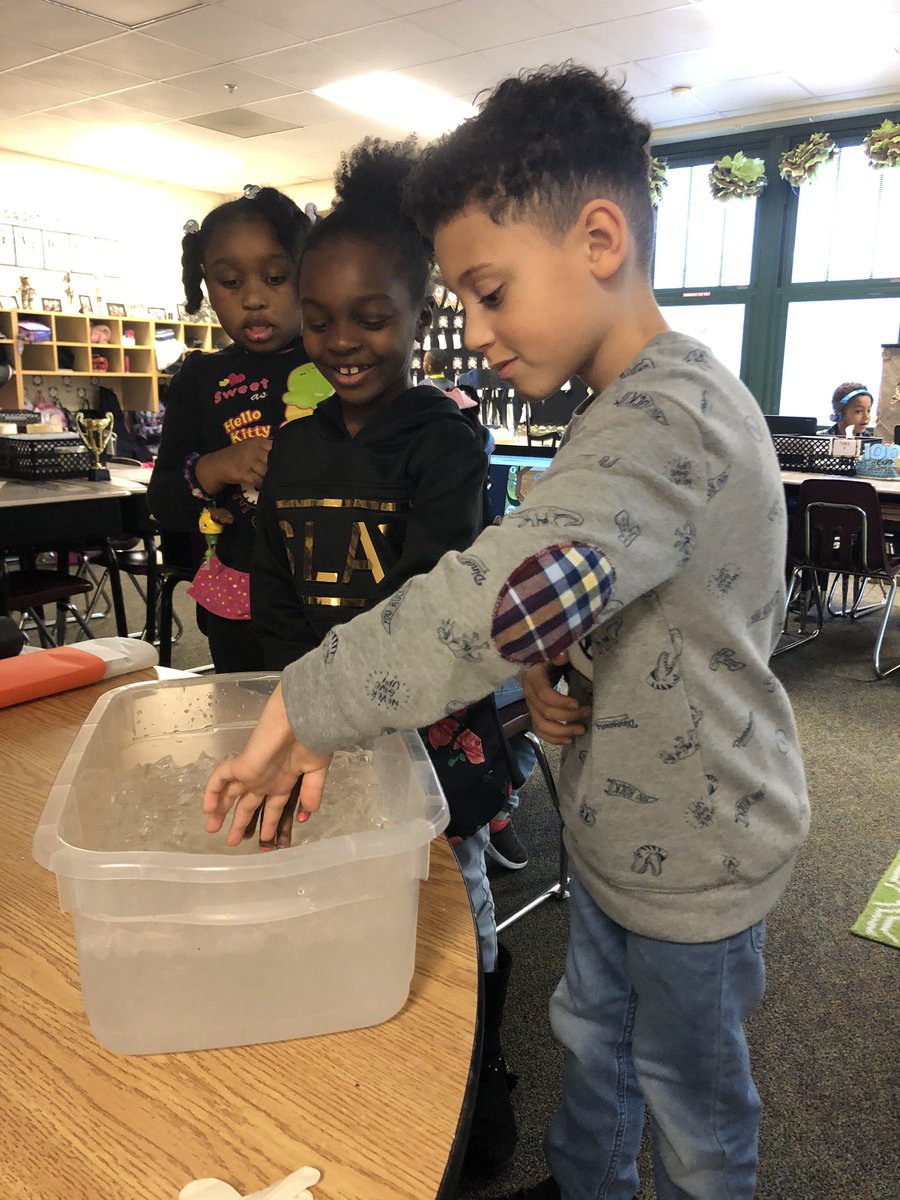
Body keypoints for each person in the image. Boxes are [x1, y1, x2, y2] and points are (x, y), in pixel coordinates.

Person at [202, 65, 810, 1200]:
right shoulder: (618, 412)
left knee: (693, 1103)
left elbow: (512, 579)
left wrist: (312, 696)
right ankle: (588, 1186)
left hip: (701, 851)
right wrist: (548, 668)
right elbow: (600, 579)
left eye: (488, 291)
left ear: (597, 238)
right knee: (593, 1038)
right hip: (618, 825)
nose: (473, 332)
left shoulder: (669, 411)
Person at [249, 137, 518, 1173]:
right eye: (321, 319)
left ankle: (479, 1075)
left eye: (372, 318)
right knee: (335, 888)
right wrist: (299, 694)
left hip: (426, 727)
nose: (343, 341)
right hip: (322, 723)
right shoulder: (298, 443)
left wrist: (351, 698)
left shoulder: (441, 442)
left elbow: (430, 594)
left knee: (456, 903)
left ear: (418, 315)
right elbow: (273, 583)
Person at [147, 185, 311, 671]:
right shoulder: (200, 378)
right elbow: (163, 503)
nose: (255, 299)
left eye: (277, 276)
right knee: (245, 724)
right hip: (242, 603)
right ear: (205, 285)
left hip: (334, 597)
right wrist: (214, 469)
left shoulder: (337, 359)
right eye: (229, 282)